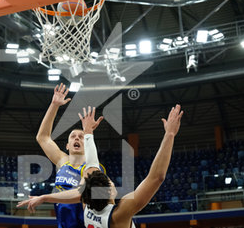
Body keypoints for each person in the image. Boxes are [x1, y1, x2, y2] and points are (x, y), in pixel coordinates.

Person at [19, 105, 184, 228]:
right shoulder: (119, 214)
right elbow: (156, 177)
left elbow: (88, 174)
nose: (111, 183)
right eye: (109, 182)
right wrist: (170, 134)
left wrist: (89, 132)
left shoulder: (86, 206)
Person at [36, 84, 104, 228]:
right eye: (73, 136)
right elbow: (42, 137)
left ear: (86, 143)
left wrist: (88, 133)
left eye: (81, 136)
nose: (77, 138)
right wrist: (54, 105)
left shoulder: (93, 168)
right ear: (67, 146)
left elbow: (79, 193)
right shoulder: (62, 161)